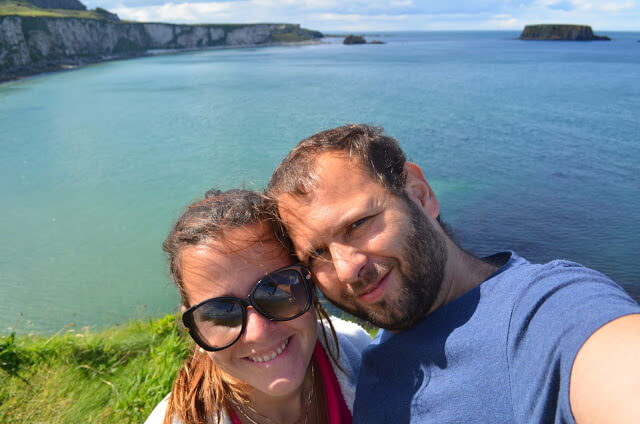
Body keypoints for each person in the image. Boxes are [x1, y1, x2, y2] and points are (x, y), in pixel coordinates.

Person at [267, 124, 640, 424]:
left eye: (359, 224)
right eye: (317, 254)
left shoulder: (544, 312)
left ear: (420, 193)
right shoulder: (370, 356)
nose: (348, 269)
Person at [145, 189, 371, 424]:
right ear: (196, 330)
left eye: (276, 291)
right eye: (223, 313)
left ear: (309, 285)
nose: (258, 332)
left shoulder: (363, 355)